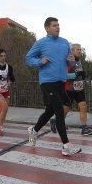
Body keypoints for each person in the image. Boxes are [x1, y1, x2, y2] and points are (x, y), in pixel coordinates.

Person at [25, 17, 82, 156]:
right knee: (59, 111)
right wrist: (40, 61)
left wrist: (70, 61)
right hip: (47, 82)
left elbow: (69, 62)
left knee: (52, 110)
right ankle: (66, 145)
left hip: (60, 81)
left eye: (58, 25)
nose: (58, 27)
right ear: (47, 28)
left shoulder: (64, 43)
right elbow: (28, 58)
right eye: (54, 25)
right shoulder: (41, 43)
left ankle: (34, 130)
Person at [50, 43, 92, 136]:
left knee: (83, 106)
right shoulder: (68, 61)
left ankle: (84, 128)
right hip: (69, 89)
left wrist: (82, 75)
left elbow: (79, 73)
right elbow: (63, 75)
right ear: (72, 51)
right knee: (66, 109)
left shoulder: (79, 60)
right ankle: (55, 121)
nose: (80, 51)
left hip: (79, 89)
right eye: (77, 49)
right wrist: (76, 75)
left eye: (80, 49)